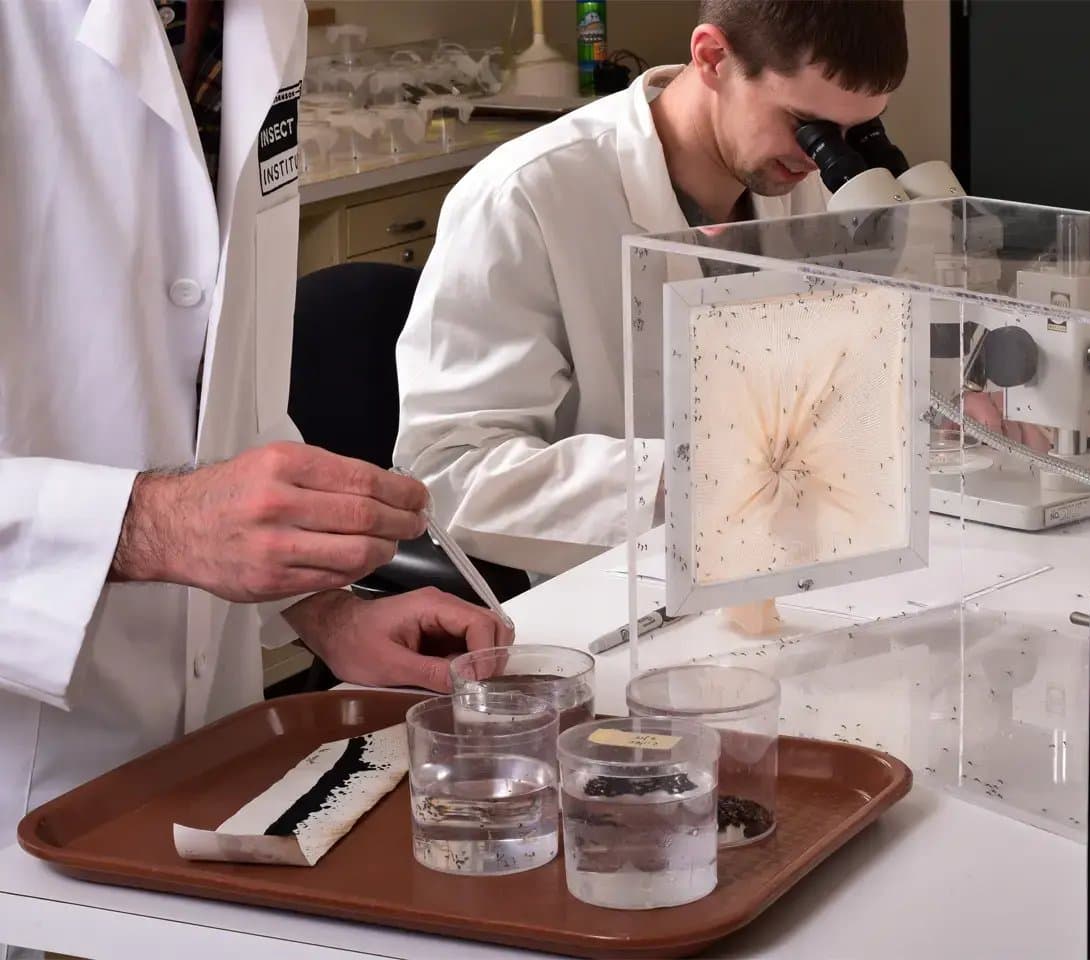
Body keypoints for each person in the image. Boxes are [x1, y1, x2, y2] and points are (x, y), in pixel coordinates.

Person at [0, 0, 512, 886]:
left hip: (209, 773)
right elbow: (178, 506)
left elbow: (225, 392)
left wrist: (326, 610)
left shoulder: (255, 19)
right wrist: (155, 525)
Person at [396, 0, 909, 578]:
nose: (820, 160)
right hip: (611, 586)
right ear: (712, 57)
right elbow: (449, 473)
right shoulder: (525, 197)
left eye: (855, 132)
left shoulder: (798, 182)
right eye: (807, 127)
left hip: (787, 555)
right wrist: (689, 475)